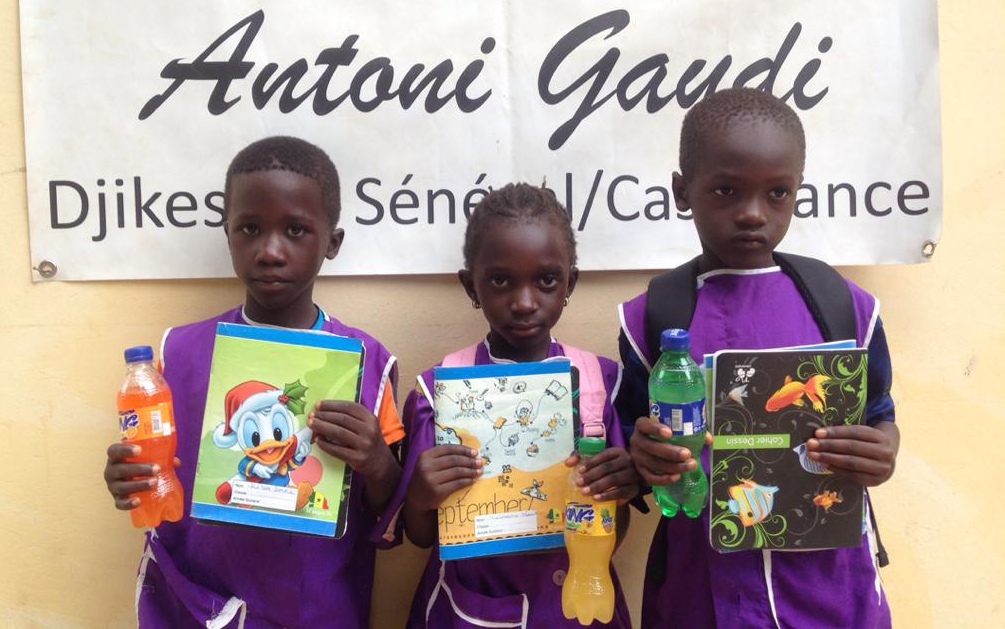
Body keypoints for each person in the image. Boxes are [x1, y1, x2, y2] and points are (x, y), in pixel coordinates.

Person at [617, 88, 898, 629]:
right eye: (726, 190)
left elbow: (880, 415)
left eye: (776, 193)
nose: (752, 213)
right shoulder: (649, 317)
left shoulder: (846, 307)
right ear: (682, 191)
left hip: (830, 592)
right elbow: (632, 440)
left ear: (797, 192)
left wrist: (884, 450)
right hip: (701, 593)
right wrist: (643, 459)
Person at [103, 136, 404, 628]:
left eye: (295, 230)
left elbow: (390, 511)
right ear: (228, 236)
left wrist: (377, 462)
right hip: (196, 606)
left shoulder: (367, 365)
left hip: (317, 608)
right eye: (249, 229)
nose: (270, 251)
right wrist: (132, 478)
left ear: (332, 242)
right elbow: (155, 471)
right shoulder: (177, 355)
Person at [381, 182, 639, 628]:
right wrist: (421, 495)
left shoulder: (601, 384)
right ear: (471, 286)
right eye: (501, 281)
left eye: (546, 280)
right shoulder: (435, 393)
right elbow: (421, 537)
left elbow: (617, 530)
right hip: (469, 609)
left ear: (570, 282)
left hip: (578, 609)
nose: (524, 302)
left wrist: (617, 487)